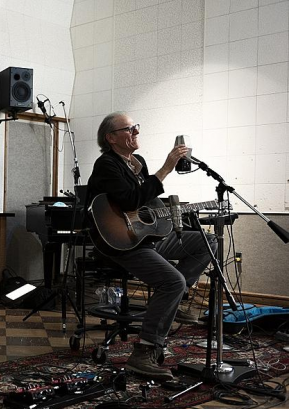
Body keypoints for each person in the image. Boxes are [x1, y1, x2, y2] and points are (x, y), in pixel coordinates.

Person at [86, 112, 217, 381]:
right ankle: (144, 352)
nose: (135, 132)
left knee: (209, 240)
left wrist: (166, 213)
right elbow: (130, 201)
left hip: (147, 237)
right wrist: (167, 167)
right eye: (129, 128)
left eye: (136, 127)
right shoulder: (106, 165)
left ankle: (178, 299)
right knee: (173, 281)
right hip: (123, 244)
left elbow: (146, 204)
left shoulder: (138, 162)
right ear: (111, 138)